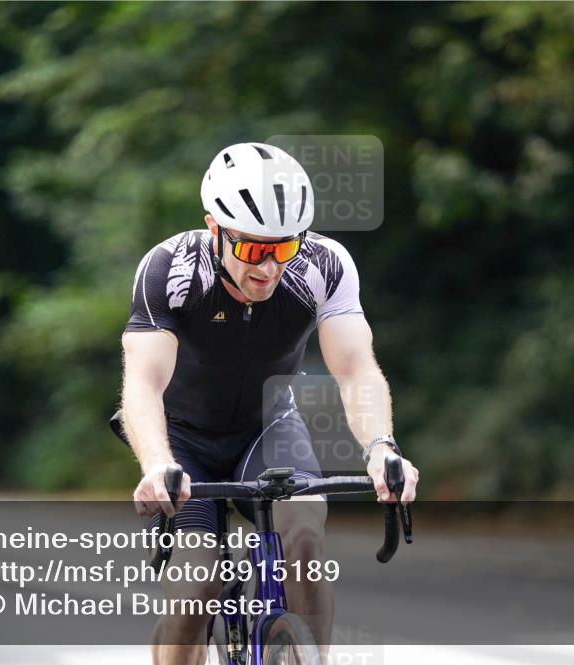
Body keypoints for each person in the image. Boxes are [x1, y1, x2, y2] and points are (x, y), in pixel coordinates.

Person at [118, 142, 419, 665]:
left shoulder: (324, 265)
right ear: (215, 230)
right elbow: (143, 384)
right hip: (182, 440)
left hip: (268, 428)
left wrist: (380, 447)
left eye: (284, 248)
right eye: (255, 250)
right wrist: (156, 463)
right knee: (196, 588)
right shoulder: (171, 268)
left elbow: (356, 370)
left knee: (304, 538)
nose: (269, 267)